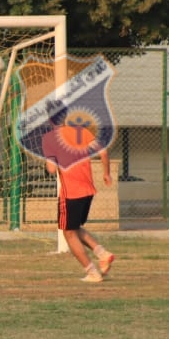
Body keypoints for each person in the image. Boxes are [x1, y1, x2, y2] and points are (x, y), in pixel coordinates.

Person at [42, 105, 115, 283]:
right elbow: (103, 152)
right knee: (74, 228)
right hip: (88, 189)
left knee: (68, 233)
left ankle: (92, 273)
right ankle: (102, 253)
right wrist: (106, 174)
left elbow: (51, 169)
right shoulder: (81, 132)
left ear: (50, 119)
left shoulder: (50, 138)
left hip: (71, 192)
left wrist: (50, 157)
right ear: (65, 117)